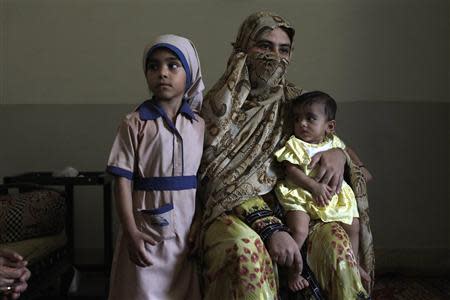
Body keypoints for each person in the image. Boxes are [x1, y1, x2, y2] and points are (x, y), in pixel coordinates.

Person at [199, 11, 374, 299]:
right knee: (246, 253)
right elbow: (214, 180)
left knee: (336, 247)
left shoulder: (295, 104)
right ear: (243, 47)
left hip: (295, 210)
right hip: (231, 213)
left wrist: (339, 154)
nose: (274, 57)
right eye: (264, 46)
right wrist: (271, 230)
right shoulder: (218, 108)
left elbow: (334, 143)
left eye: (283, 50)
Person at [106, 34, 205, 300]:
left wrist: (199, 222)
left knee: (184, 288)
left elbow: (203, 180)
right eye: (154, 66)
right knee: (142, 288)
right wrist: (130, 232)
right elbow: (122, 181)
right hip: (145, 228)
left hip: (186, 228)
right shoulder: (134, 123)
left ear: (190, 72)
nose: (162, 73)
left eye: (173, 65)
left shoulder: (199, 125)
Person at [274, 91, 372, 291]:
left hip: (330, 198)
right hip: (301, 195)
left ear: (329, 127)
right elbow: (290, 171)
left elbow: (350, 154)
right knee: (299, 231)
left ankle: (354, 265)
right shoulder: (294, 144)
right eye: (297, 118)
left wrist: (360, 167)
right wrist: (313, 186)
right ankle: (293, 273)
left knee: (353, 226)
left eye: (310, 118)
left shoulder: (334, 144)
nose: (302, 123)